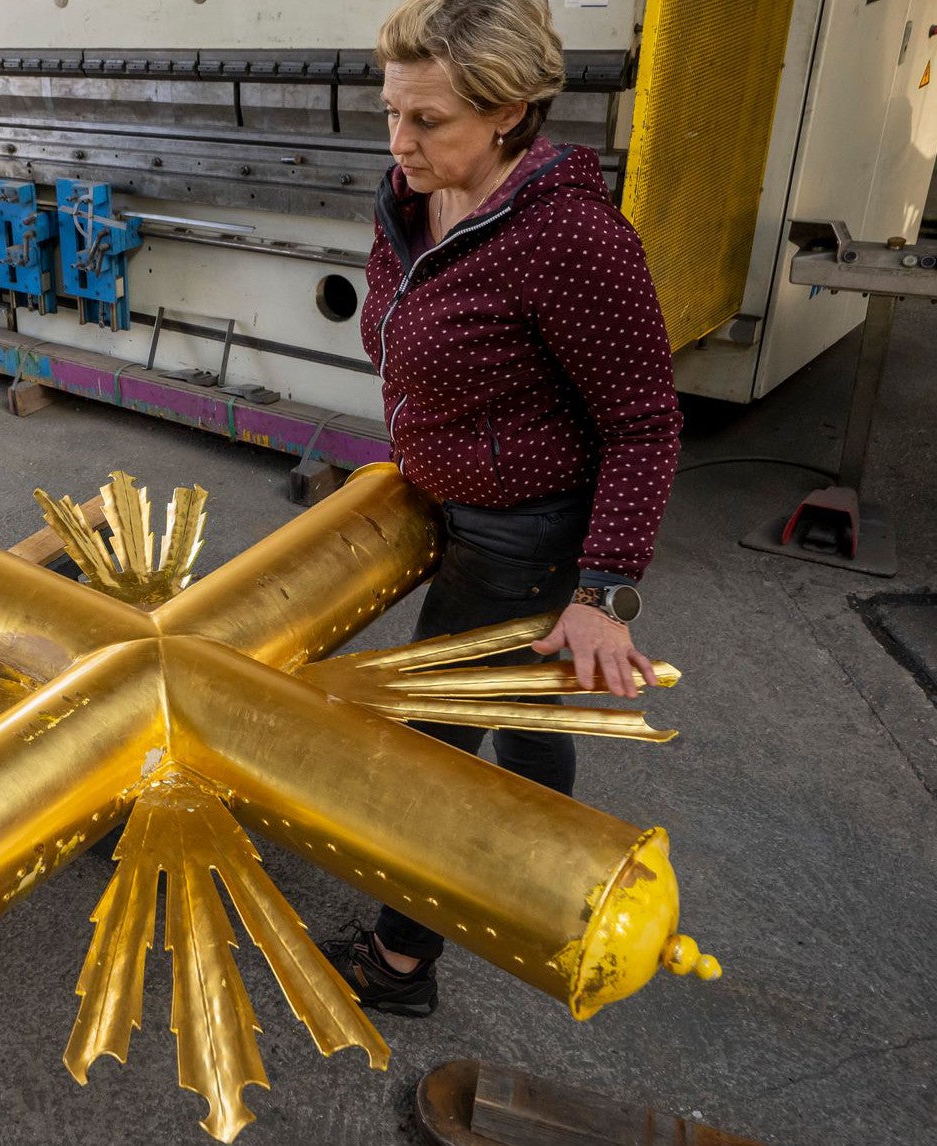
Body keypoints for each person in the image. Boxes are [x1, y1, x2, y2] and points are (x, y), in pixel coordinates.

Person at [320, 0, 683, 1017]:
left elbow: (646, 423)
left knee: (434, 747)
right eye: (390, 110)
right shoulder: (411, 194)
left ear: (510, 111)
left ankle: (398, 963)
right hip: (450, 497)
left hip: (523, 529)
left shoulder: (572, 241)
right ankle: (547, 874)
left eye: (427, 121)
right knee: (524, 706)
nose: (398, 142)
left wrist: (604, 592)